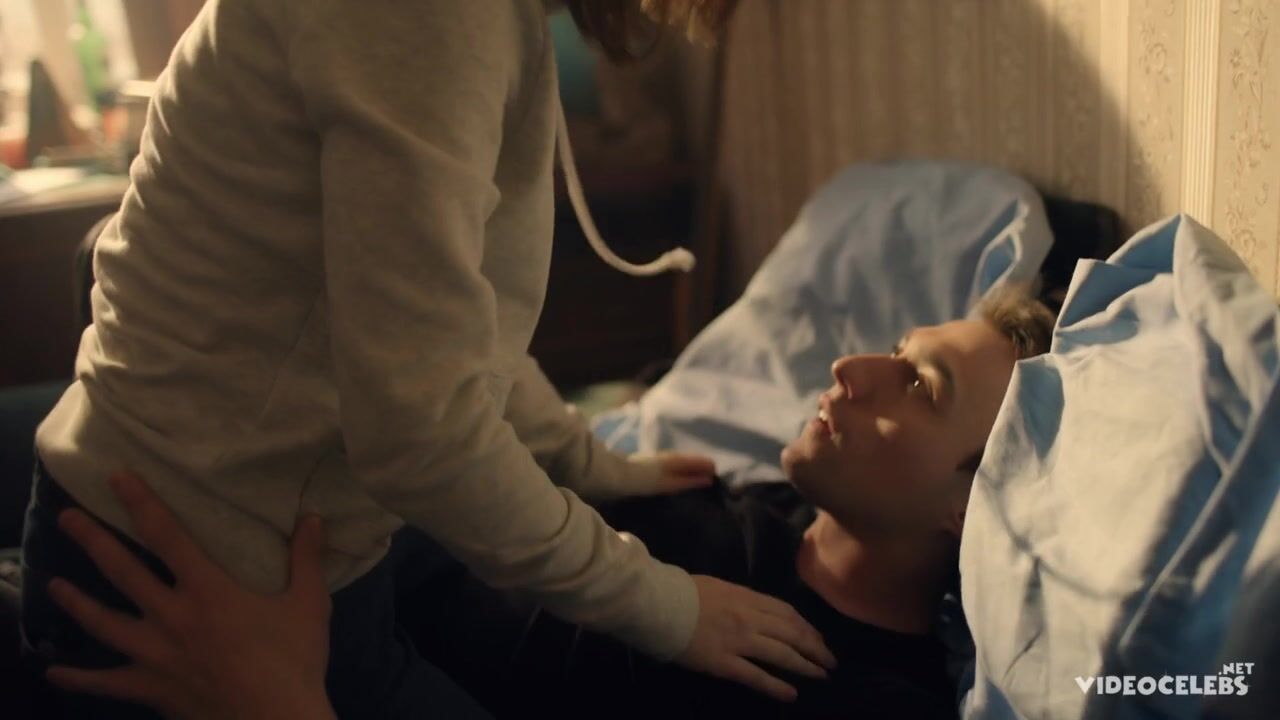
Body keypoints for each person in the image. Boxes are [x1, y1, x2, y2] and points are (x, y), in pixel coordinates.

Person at [21, 1, 838, 718]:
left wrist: (578, 460)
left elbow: (429, 330)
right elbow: (418, 430)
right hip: (195, 562)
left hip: (271, 525)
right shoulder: (428, 17)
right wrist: (669, 610)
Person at [42, 286, 1057, 718]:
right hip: (334, 548)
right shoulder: (747, 503)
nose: (851, 369)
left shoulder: (861, 697)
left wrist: (270, 702)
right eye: (894, 348)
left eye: (916, 385)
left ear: (973, 506)